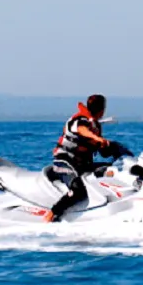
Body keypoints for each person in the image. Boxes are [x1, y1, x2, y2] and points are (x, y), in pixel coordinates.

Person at [43, 94, 114, 222]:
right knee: (78, 191)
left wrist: (111, 147)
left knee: (111, 170)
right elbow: (82, 130)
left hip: (82, 164)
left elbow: (100, 149)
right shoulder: (80, 120)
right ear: (102, 109)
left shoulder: (95, 125)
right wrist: (97, 138)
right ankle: (52, 214)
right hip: (65, 162)